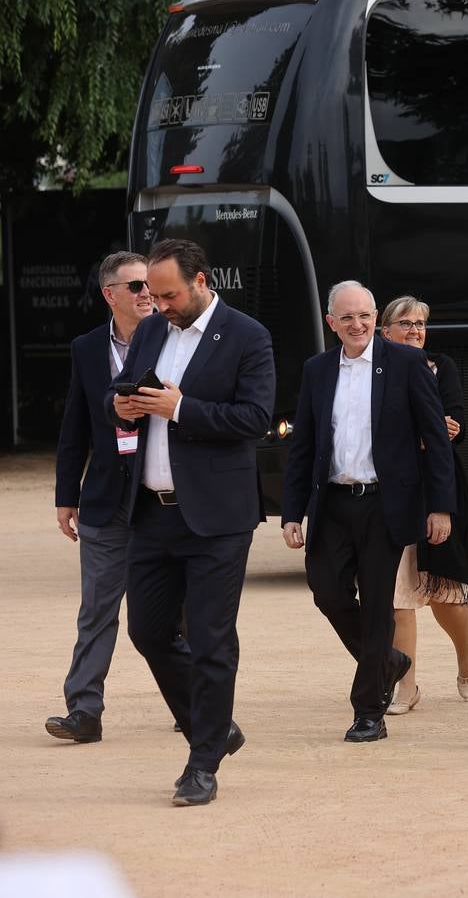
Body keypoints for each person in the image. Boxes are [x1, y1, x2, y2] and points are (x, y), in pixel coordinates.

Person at [106, 239, 275, 806]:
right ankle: (216, 728)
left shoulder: (248, 336)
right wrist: (121, 404)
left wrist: (178, 408)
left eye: (169, 294)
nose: (159, 304)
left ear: (201, 280)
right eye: (152, 295)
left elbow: (254, 418)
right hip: (151, 513)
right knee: (148, 631)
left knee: (210, 639)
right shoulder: (152, 329)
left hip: (218, 519)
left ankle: (202, 762)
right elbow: (124, 382)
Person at [281, 282, 455, 743]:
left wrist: (440, 507)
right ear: (331, 322)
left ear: (376, 318)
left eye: (365, 316)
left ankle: (368, 712)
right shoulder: (317, 370)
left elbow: (436, 440)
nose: (357, 325)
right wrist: (291, 512)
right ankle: (389, 662)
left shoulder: (407, 363)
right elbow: (304, 447)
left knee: (379, 605)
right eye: (347, 317)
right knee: (327, 592)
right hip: (333, 503)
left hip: (386, 504)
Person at [46, 251, 156, 744]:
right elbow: (75, 426)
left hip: (163, 497)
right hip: (105, 498)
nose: (147, 293)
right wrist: (66, 494)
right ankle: (84, 710)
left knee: (174, 610)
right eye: (135, 286)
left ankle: (195, 700)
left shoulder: (177, 340)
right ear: (110, 294)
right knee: (97, 610)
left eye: (150, 284)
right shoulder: (87, 348)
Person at [377, 296, 468, 714]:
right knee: (398, 596)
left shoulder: (441, 367)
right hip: (392, 492)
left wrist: (443, 430)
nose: (415, 330)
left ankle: (465, 650)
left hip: (438, 488)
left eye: (421, 323)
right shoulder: (377, 369)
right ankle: (407, 688)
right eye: (405, 323)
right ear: (385, 331)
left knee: (444, 592)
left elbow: (453, 422)